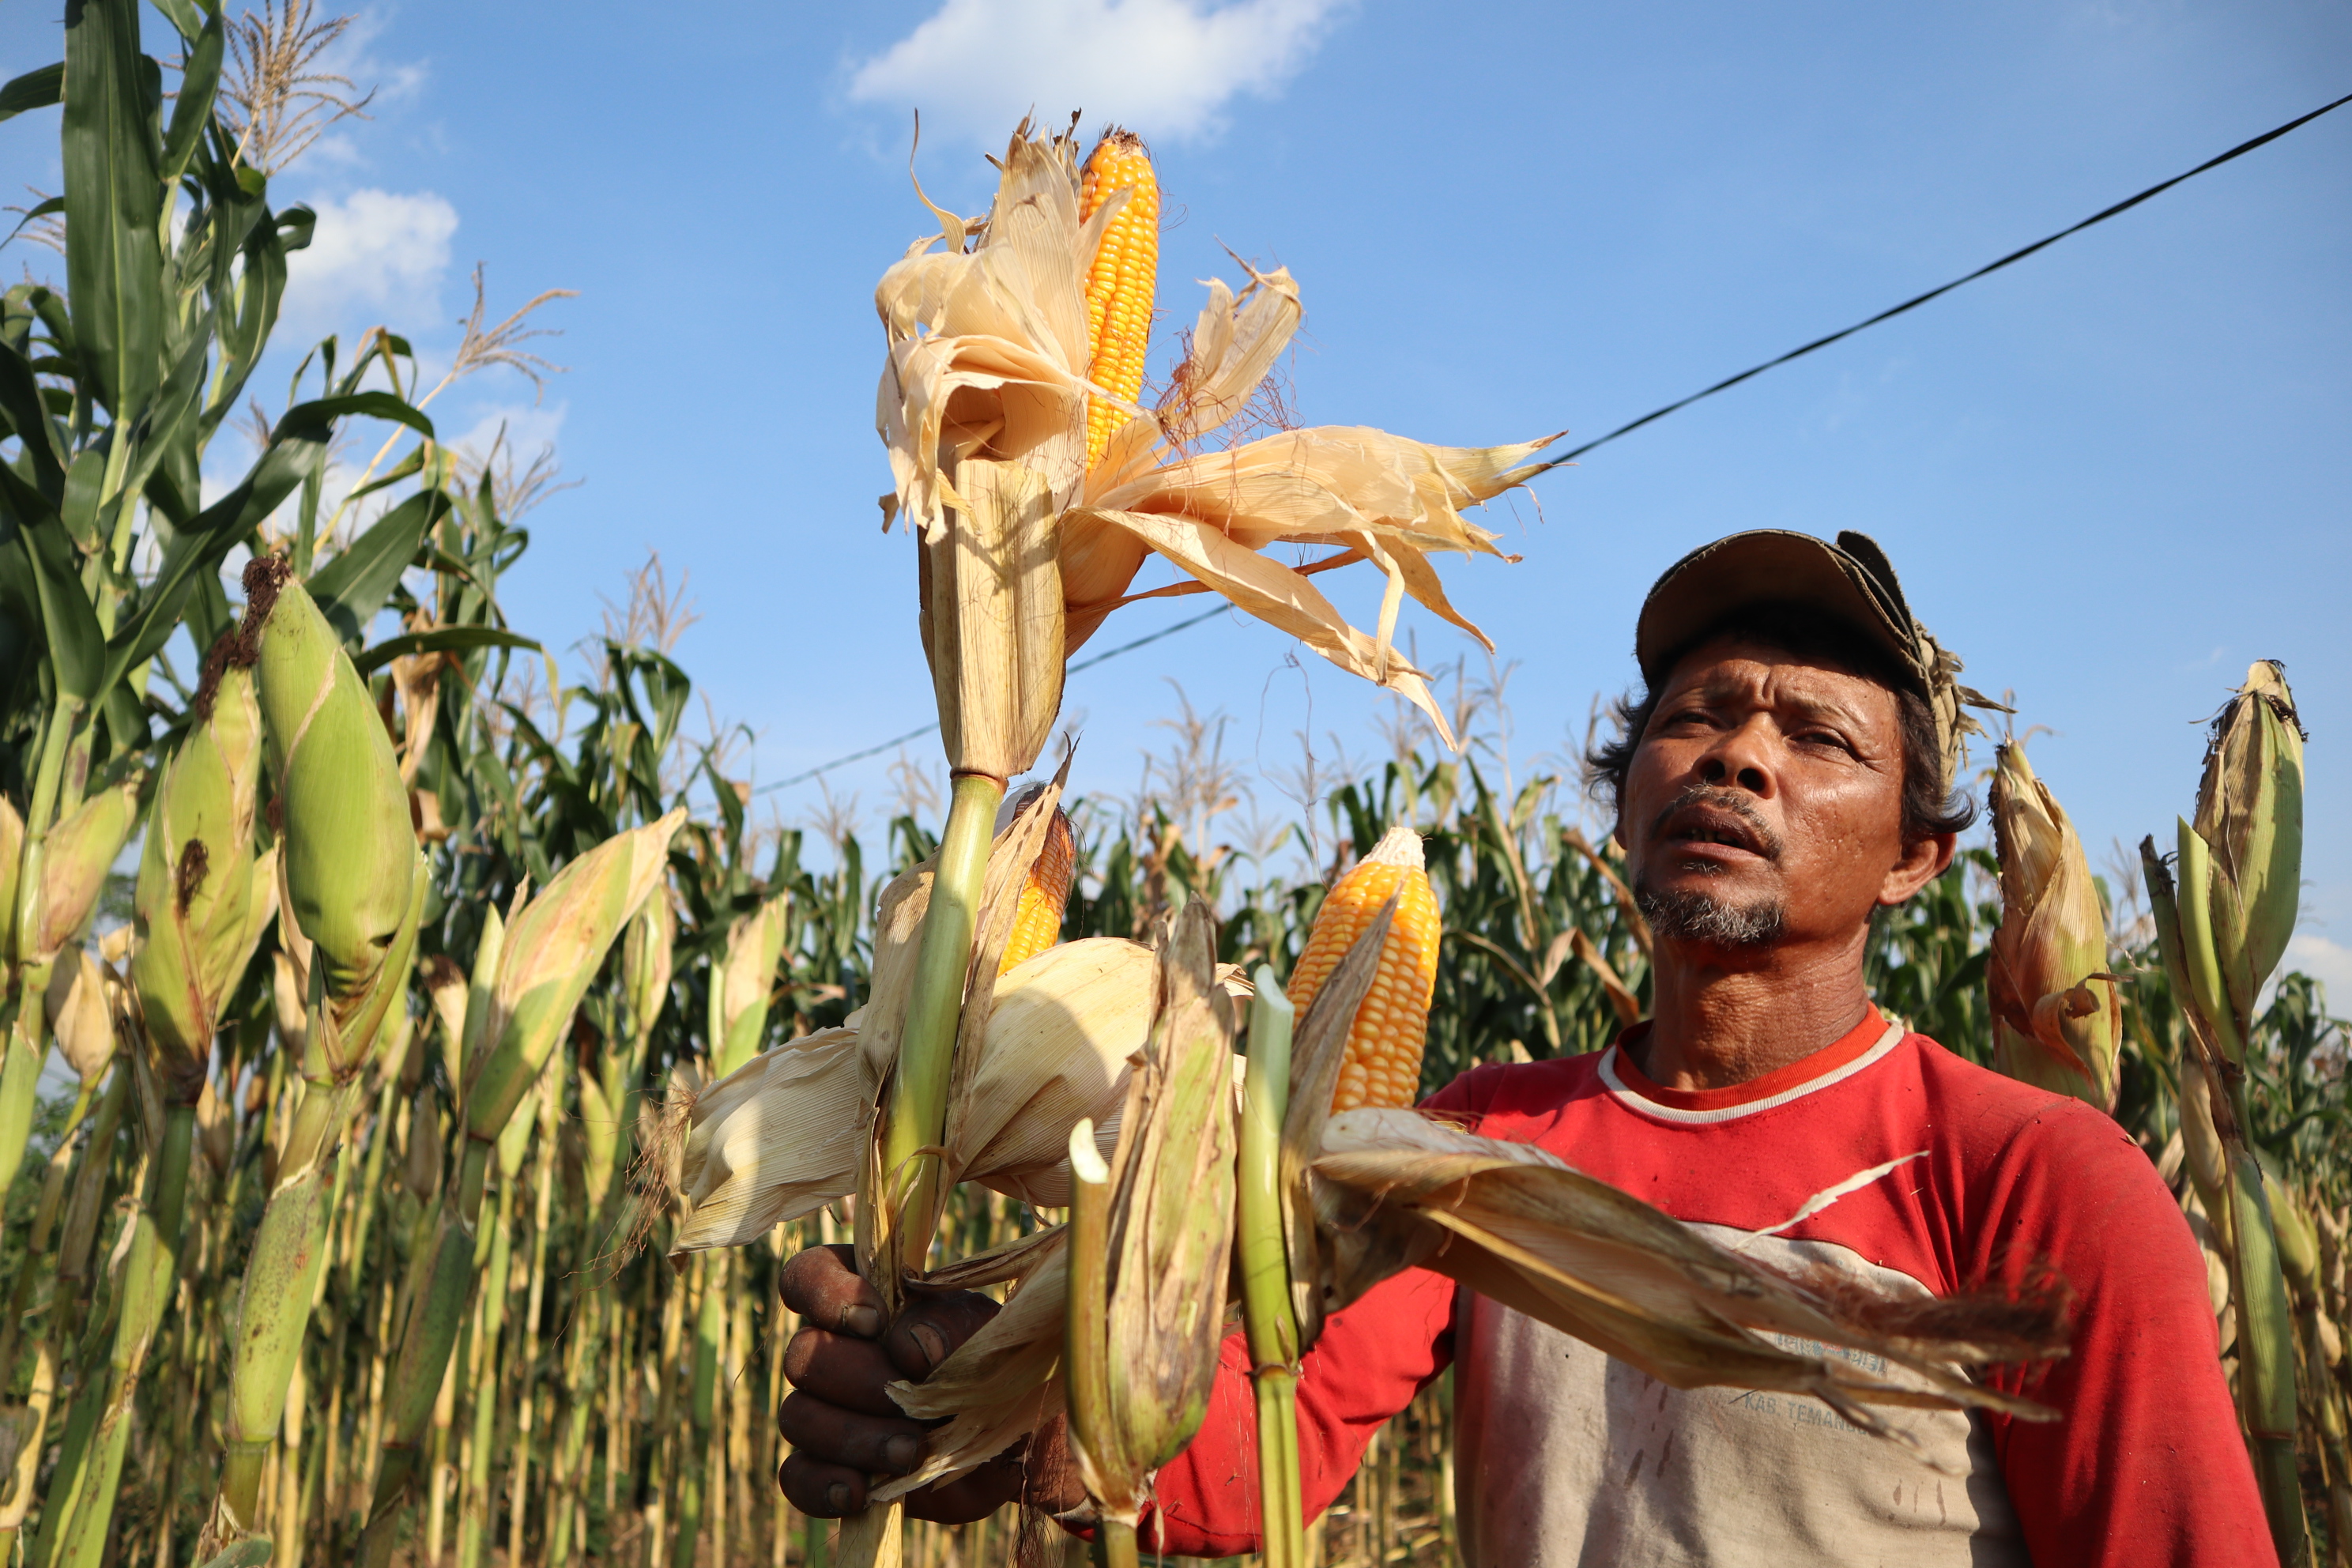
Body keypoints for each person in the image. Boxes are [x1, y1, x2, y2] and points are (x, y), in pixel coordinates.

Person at [772, 530, 2274, 1565]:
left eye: (1818, 739)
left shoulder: (2038, 1178)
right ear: (1620, 807)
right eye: (1694, 721)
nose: (1739, 753)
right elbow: (1244, 1447)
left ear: (1914, 861)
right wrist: (982, 1410)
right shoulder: (1475, 1142)